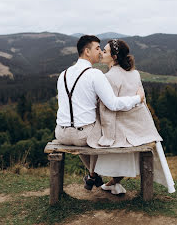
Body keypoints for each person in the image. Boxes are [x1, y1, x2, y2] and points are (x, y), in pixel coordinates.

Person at [55, 35, 145, 190]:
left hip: (61, 133)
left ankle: (93, 176)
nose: (100, 52)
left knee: (85, 130)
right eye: (97, 48)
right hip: (83, 135)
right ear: (87, 51)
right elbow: (113, 104)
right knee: (105, 130)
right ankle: (98, 175)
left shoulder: (62, 74)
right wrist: (137, 98)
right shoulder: (95, 74)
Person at [87, 39, 175, 195]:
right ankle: (112, 183)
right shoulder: (135, 74)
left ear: (114, 57)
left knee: (92, 138)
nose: (101, 53)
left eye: (105, 51)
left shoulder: (108, 78)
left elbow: (108, 108)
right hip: (140, 128)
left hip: (121, 128)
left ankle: (93, 176)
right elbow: (141, 101)